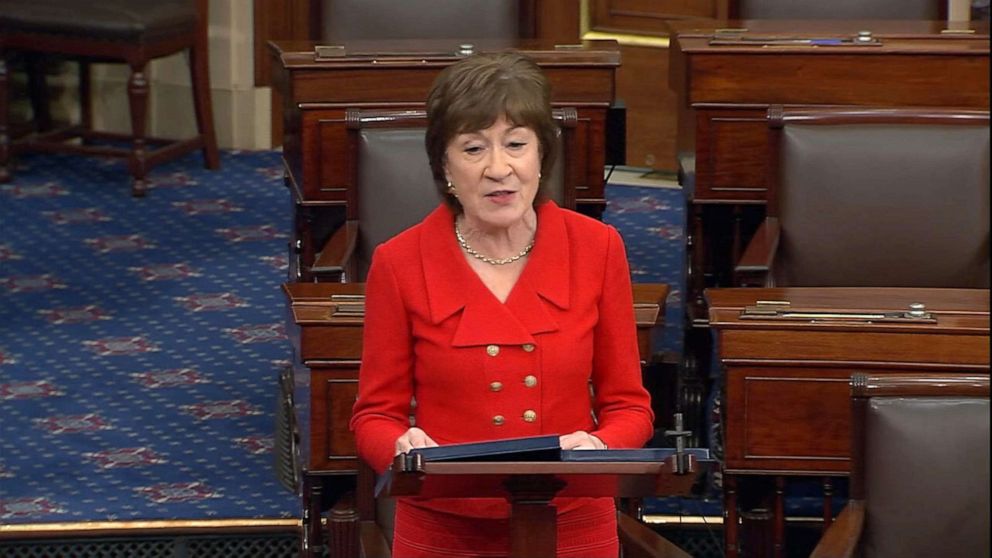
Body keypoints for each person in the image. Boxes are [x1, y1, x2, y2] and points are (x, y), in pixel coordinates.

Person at [350, 51, 654, 558]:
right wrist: (401, 449)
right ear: (444, 166)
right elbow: (373, 416)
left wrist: (601, 448)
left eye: (516, 144)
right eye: (474, 149)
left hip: (571, 519)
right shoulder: (399, 263)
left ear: (541, 157)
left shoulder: (597, 248)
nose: (499, 168)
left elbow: (630, 406)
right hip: (443, 526)